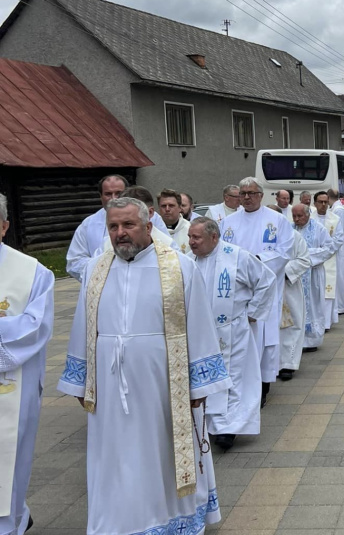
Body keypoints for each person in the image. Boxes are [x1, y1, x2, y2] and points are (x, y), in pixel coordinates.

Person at [57, 197, 231, 535]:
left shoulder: (179, 267)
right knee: (114, 457)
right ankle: (116, 523)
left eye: (128, 225)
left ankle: (166, 521)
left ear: (148, 226)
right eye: (113, 226)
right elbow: (83, 325)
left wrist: (199, 387)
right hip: (109, 387)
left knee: (158, 455)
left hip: (162, 386)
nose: (120, 233)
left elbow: (199, 325)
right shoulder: (95, 269)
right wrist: (81, 382)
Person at [188, 217, 275, 451]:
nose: (191, 242)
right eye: (189, 237)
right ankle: (208, 423)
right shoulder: (188, 261)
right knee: (205, 376)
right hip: (199, 331)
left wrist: (254, 312)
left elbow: (266, 280)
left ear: (214, 237)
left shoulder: (237, 256)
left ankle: (228, 428)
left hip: (232, 330)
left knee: (233, 377)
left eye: (196, 237)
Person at [0, 193, 54, 535]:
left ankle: (10, 522)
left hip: (11, 387)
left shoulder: (33, 273)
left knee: (9, 459)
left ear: (4, 226)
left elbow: (36, 326)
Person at [219, 178, 293, 407]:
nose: (247, 197)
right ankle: (237, 385)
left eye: (252, 193)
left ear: (261, 195)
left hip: (265, 290)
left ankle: (262, 386)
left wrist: (256, 262)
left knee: (264, 337)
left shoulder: (277, 220)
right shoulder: (228, 222)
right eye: (243, 193)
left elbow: (284, 251)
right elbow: (221, 251)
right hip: (236, 291)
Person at [276, 206, 311, 381]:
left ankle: (287, 364)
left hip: (287, 287)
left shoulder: (293, 237)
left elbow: (304, 260)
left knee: (289, 325)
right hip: (261, 289)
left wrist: (280, 271)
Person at [292, 204, 333, 354]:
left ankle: (312, 339)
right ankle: (297, 339)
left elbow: (329, 248)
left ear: (308, 215)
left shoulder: (319, 228)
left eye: (300, 216)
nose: (296, 219)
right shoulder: (290, 229)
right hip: (295, 276)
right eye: (294, 216)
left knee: (314, 305)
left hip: (313, 274)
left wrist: (304, 256)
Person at [312, 192, 344, 330]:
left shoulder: (335, 219)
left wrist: (325, 252)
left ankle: (325, 323)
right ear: (315, 203)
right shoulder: (309, 218)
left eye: (326, 202)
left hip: (329, 259)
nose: (323, 204)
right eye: (320, 202)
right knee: (314, 292)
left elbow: (338, 239)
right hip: (312, 261)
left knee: (328, 291)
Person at [328, 189, 344, 315]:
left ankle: (341, 304)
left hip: (339, 247)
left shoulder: (338, 210)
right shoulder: (336, 208)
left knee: (340, 276)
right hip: (338, 246)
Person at [159, 189, 191, 254]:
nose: (167, 209)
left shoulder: (190, 229)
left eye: (171, 205)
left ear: (180, 208)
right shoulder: (152, 231)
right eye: (163, 206)